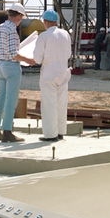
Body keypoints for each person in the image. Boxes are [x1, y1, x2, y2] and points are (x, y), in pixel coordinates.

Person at [0, 3, 35, 142]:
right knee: (11, 100)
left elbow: (0, 50)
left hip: (1, 64)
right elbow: (13, 54)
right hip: (11, 66)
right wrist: (28, 60)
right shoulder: (12, 30)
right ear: (19, 15)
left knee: (0, 99)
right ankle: (7, 132)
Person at [32, 9, 72, 142]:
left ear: (44, 21)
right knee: (61, 103)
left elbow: (38, 59)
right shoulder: (65, 34)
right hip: (64, 71)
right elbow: (68, 54)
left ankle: (51, 134)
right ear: (56, 21)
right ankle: (61, 132)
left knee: (49, 104)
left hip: (49, 72)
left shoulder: (43, 36)